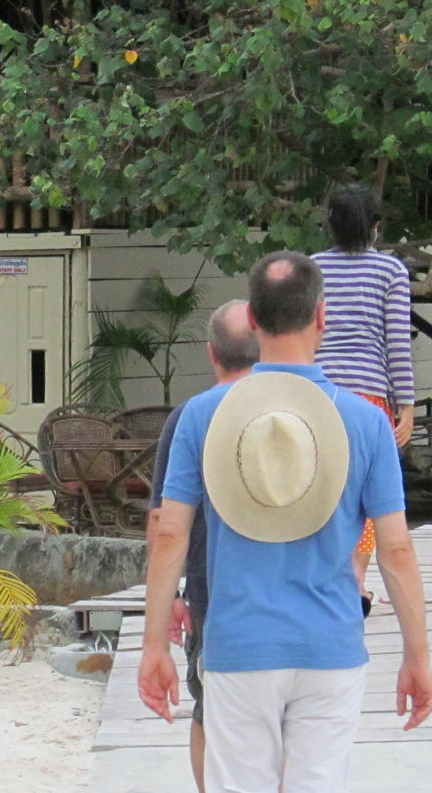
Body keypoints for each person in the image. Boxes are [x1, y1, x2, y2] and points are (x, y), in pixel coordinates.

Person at [139, 251, 432, 793]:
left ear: (252, 319)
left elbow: (168, 536)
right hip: (330, 645)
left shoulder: (203, 416)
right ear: (322, 316)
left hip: (238, 643)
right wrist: (417, 655)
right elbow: (395, 551)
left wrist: (153, 645)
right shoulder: (367, 422)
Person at [144, 299, 258, 793]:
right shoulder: (299, 409)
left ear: (212, 353)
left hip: (213, 593)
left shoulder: (189, 417)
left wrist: (165, 598)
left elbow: (163, 523)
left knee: (210, 710)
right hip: (301, 595)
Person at [315, 183, 414, 601]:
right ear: (376, 227)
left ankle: (327, 575)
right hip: (370, 396)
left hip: (316, 394)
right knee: (368, 489)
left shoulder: (311, 267)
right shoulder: (390, 271)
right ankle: (355, 577)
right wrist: (405, 405)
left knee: (322, 485)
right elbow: (397, 344)